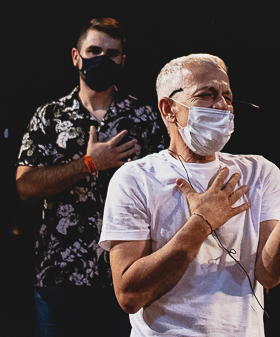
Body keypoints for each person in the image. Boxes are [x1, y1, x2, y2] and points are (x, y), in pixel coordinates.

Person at [99, 53, 280, 336]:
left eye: (227, 96)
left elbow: (270, 274)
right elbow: (129, 296)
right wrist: (201, 223)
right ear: (168, 108)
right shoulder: (135, 179)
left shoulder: (260, 172)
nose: (222, 105)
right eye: (206, 95)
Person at [16, 17, 167, 337]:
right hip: (60, 272)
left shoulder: (144, 117)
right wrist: (89, 163)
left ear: (122, 60)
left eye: (112, 54)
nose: (102, 59)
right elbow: (25, 186)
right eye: (94, 51)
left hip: (126, 273)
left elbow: (165, 190)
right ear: (76, 56)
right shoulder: (49, 116)